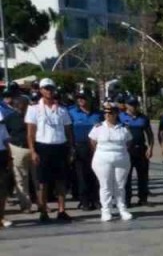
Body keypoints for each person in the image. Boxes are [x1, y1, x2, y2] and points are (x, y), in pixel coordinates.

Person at [24, 78, 74, 224]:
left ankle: (62, 210)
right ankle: (43, 211)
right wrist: (33, 151)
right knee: (42, 182)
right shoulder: (34, 109)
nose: (49, 91)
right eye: (45, 88)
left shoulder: (62, 109)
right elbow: (30, 133)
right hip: (43, 147)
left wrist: (71, 148)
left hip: (60, 146)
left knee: (61, 181)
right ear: (40, 90)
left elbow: (68, 130)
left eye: (51, 88)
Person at [88, 102, 135, 222]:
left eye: (111, 113)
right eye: (106, 113)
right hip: (102, 158)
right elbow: (93, 142)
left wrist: (120, 152)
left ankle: (122, 209)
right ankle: (106, 210)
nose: (108, 115)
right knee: (105, 185)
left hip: (121, 158)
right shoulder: (98, 127)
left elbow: (128, 142)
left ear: (116, 113)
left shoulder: (124, 127)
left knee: (120, 185)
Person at [68, 92, 103, 211]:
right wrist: (71, 147)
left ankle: (97, 199)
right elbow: (68, 131)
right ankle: (85, 201)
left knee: (96, 174)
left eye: (84, 98)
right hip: (79, 146)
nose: (81, 100)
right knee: (82, 175)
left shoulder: (98, 114)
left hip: (96, 147)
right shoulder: (72, 112)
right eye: (79, 98)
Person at [119, 97, 154, 207]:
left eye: (135, 105)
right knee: (126, 177)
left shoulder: (143, 118)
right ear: (126, 105)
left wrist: (150, 147)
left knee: (143, 176)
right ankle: (127, 200)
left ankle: (143, 198)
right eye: (130, 104)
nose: (133, 107)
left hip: (141, 149)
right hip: (126, 150)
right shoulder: (120, 117)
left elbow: (149, 134)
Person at [2, 89, 33, 213]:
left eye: (23, 105)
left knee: (37, 179)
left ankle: (42, 205)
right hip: (18, 149)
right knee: (20, 179)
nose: (20, 107)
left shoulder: (33, 117)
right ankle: (25, 205)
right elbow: (5, 133)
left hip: (34, 148)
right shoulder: (10, 118)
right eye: (17, 105)